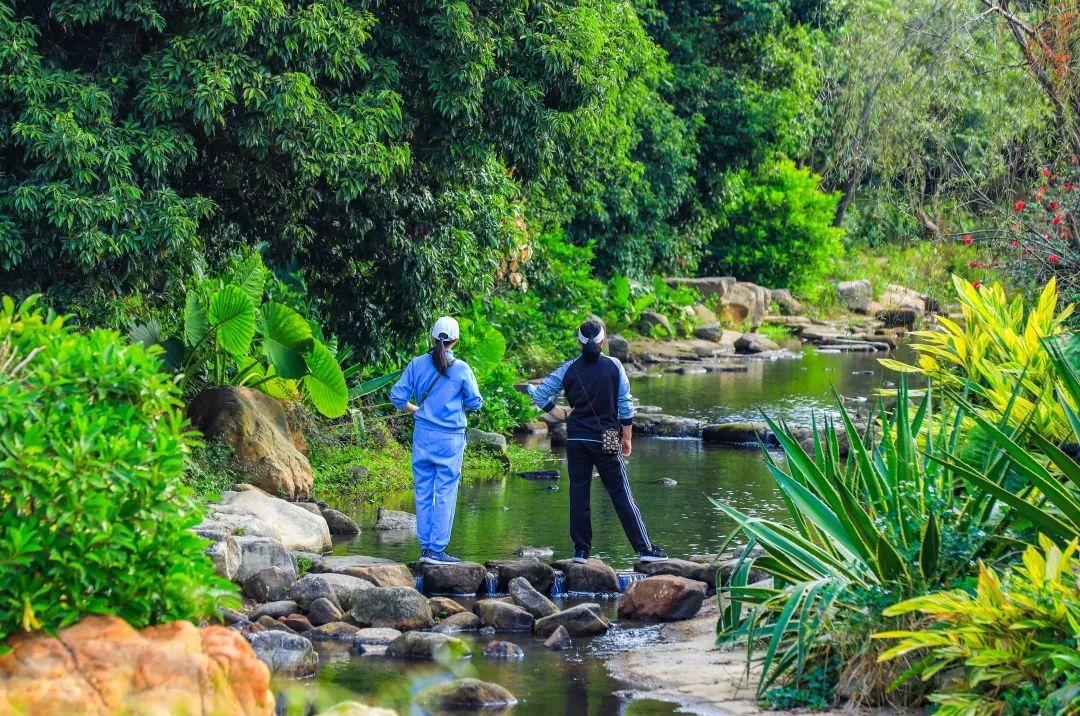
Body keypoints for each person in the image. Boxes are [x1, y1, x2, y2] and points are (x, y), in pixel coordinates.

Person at [530, 319, 667, 564]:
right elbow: (625, 405)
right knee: (620, 493)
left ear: (579, 343)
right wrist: (627, 437)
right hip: (607, 440)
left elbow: (538, 394)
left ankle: (581, 551)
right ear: (603, 341)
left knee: (579, 494)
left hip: (577, 440)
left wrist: (560, 414)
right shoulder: (614, 366)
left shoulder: (569, 368)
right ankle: (644, 548)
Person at [390, 316, 483, 565]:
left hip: (423, 435)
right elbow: (475, 402)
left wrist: (417, 410)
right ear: (456, 340)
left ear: (432, 337)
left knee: (422, 491)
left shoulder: (416, 364)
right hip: (450, 439)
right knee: (445, 492)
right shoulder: (462, 368)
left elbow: (397, 397)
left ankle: (425, 548)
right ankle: (436, 550)